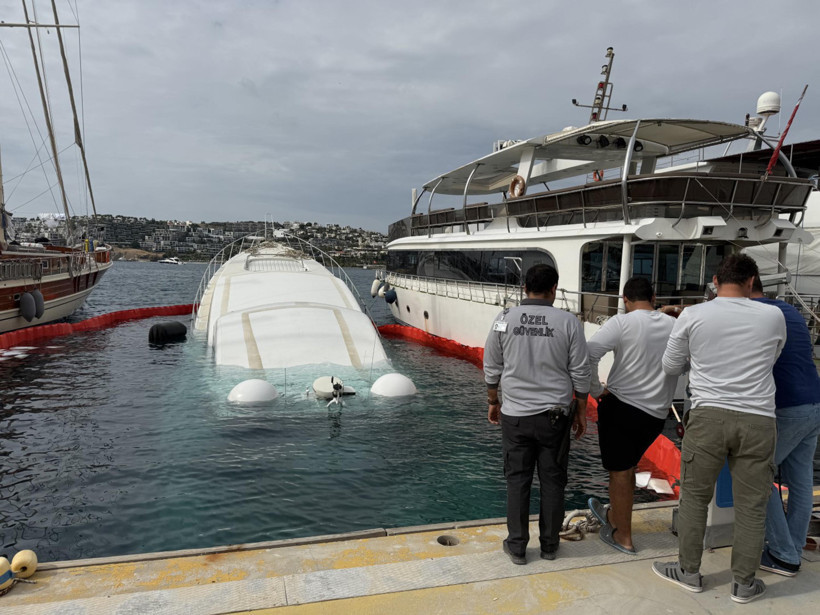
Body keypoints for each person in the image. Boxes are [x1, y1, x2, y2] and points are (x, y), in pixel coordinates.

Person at [652, 253, 786, 604]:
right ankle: (743, 583)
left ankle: (689, 572)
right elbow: (773, 356)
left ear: (715, 281)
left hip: (708, 416)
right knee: (752, 505)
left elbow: (670, 364)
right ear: (752, 282)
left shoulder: (695, 314)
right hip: (758, 419)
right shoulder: (774, 314)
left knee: (696, 497)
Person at [484, 264, 590, 565]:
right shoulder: (569, 322)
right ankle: (550, 545)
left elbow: (492, 364)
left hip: (515, 415)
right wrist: (581, 410)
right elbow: (580, 370)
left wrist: (493, 400)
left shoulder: (504, 318)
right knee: (553, 481)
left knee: (517, 481)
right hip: (554, 419)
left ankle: (517, 547)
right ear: (554, 289)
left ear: (524, 288)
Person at [586, 277, 679, 554]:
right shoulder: (674, 325)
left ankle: (622, 535)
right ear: (653, 297)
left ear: (625, 300)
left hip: (622, 408)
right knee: (629, 465)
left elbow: (589, 353)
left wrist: (594, 390)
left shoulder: (621, 322)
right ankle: (615, 515)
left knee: (620, 472)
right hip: (656, 415)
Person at [750, 276, 820, 576]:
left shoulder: (754, 315)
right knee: (801, 480)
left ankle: (782, 554)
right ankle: (791, 545)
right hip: (814, 402)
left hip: (787, 408)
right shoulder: (788, 310)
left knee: (756, 475)